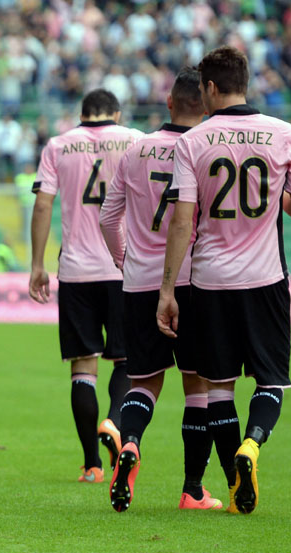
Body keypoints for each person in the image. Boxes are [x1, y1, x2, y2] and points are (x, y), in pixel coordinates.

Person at [157, 46, 291, 514]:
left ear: (208, 87)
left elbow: (182, 221)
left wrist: (168, 290)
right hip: (266, 279)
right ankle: (253, 444)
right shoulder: (285, 134)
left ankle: (233, 484)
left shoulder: (193, 141)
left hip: (210, 281)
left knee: (219, 387)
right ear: (245, 82)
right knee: (270, 382)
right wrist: (274, 196)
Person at [99, 67, 223, 511]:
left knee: (143, 382)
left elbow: (107, 219)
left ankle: (129, 442)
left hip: (138, 282)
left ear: (169, 103)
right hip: (194, 282)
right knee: (199, 388)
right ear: (206, 104)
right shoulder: (209, 149)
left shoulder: (136, 150)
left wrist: (124, 260)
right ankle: (192, 490)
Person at [29, 89, 143, 483]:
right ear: (116, 111)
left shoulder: (59, 144)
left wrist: (36, 264)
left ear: (83, 114)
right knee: (128, 361)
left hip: (76, 269)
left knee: (83, 368)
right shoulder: (133, 139)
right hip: (124, 267)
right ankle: (113, 420)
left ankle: (92, 464)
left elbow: (43, 203)